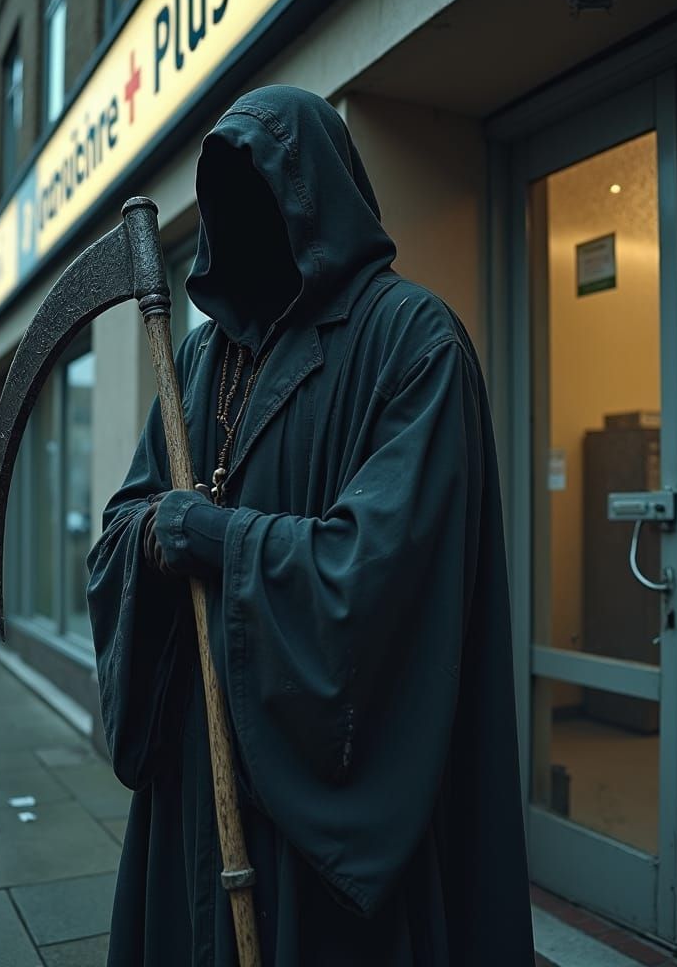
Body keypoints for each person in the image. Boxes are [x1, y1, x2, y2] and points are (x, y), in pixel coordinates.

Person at [86, 85, 535, 965]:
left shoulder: (413, 340)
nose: (246, 221)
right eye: (228, 202)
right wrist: (153, 536)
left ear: (317, 195)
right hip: (200, 778)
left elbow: (383, 571)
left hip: (322, 804)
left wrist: (218, 539)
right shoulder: (201, 357)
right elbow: (124, 526)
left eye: (266, 193)